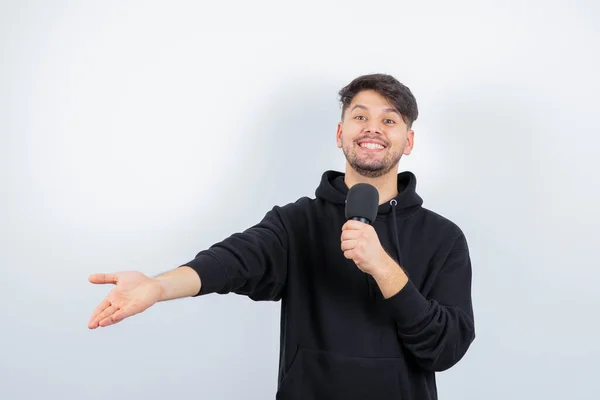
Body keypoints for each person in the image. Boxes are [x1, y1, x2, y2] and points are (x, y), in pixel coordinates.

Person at [88, 73, 475, 399]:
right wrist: (157, 286)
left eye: (389, 120)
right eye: (360, 116)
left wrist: (383, 268)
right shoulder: (297, 222)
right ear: (341, 133)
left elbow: (445, 349)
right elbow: (229, 261)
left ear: (408, 141)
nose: (373, 127)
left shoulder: (444, 238)